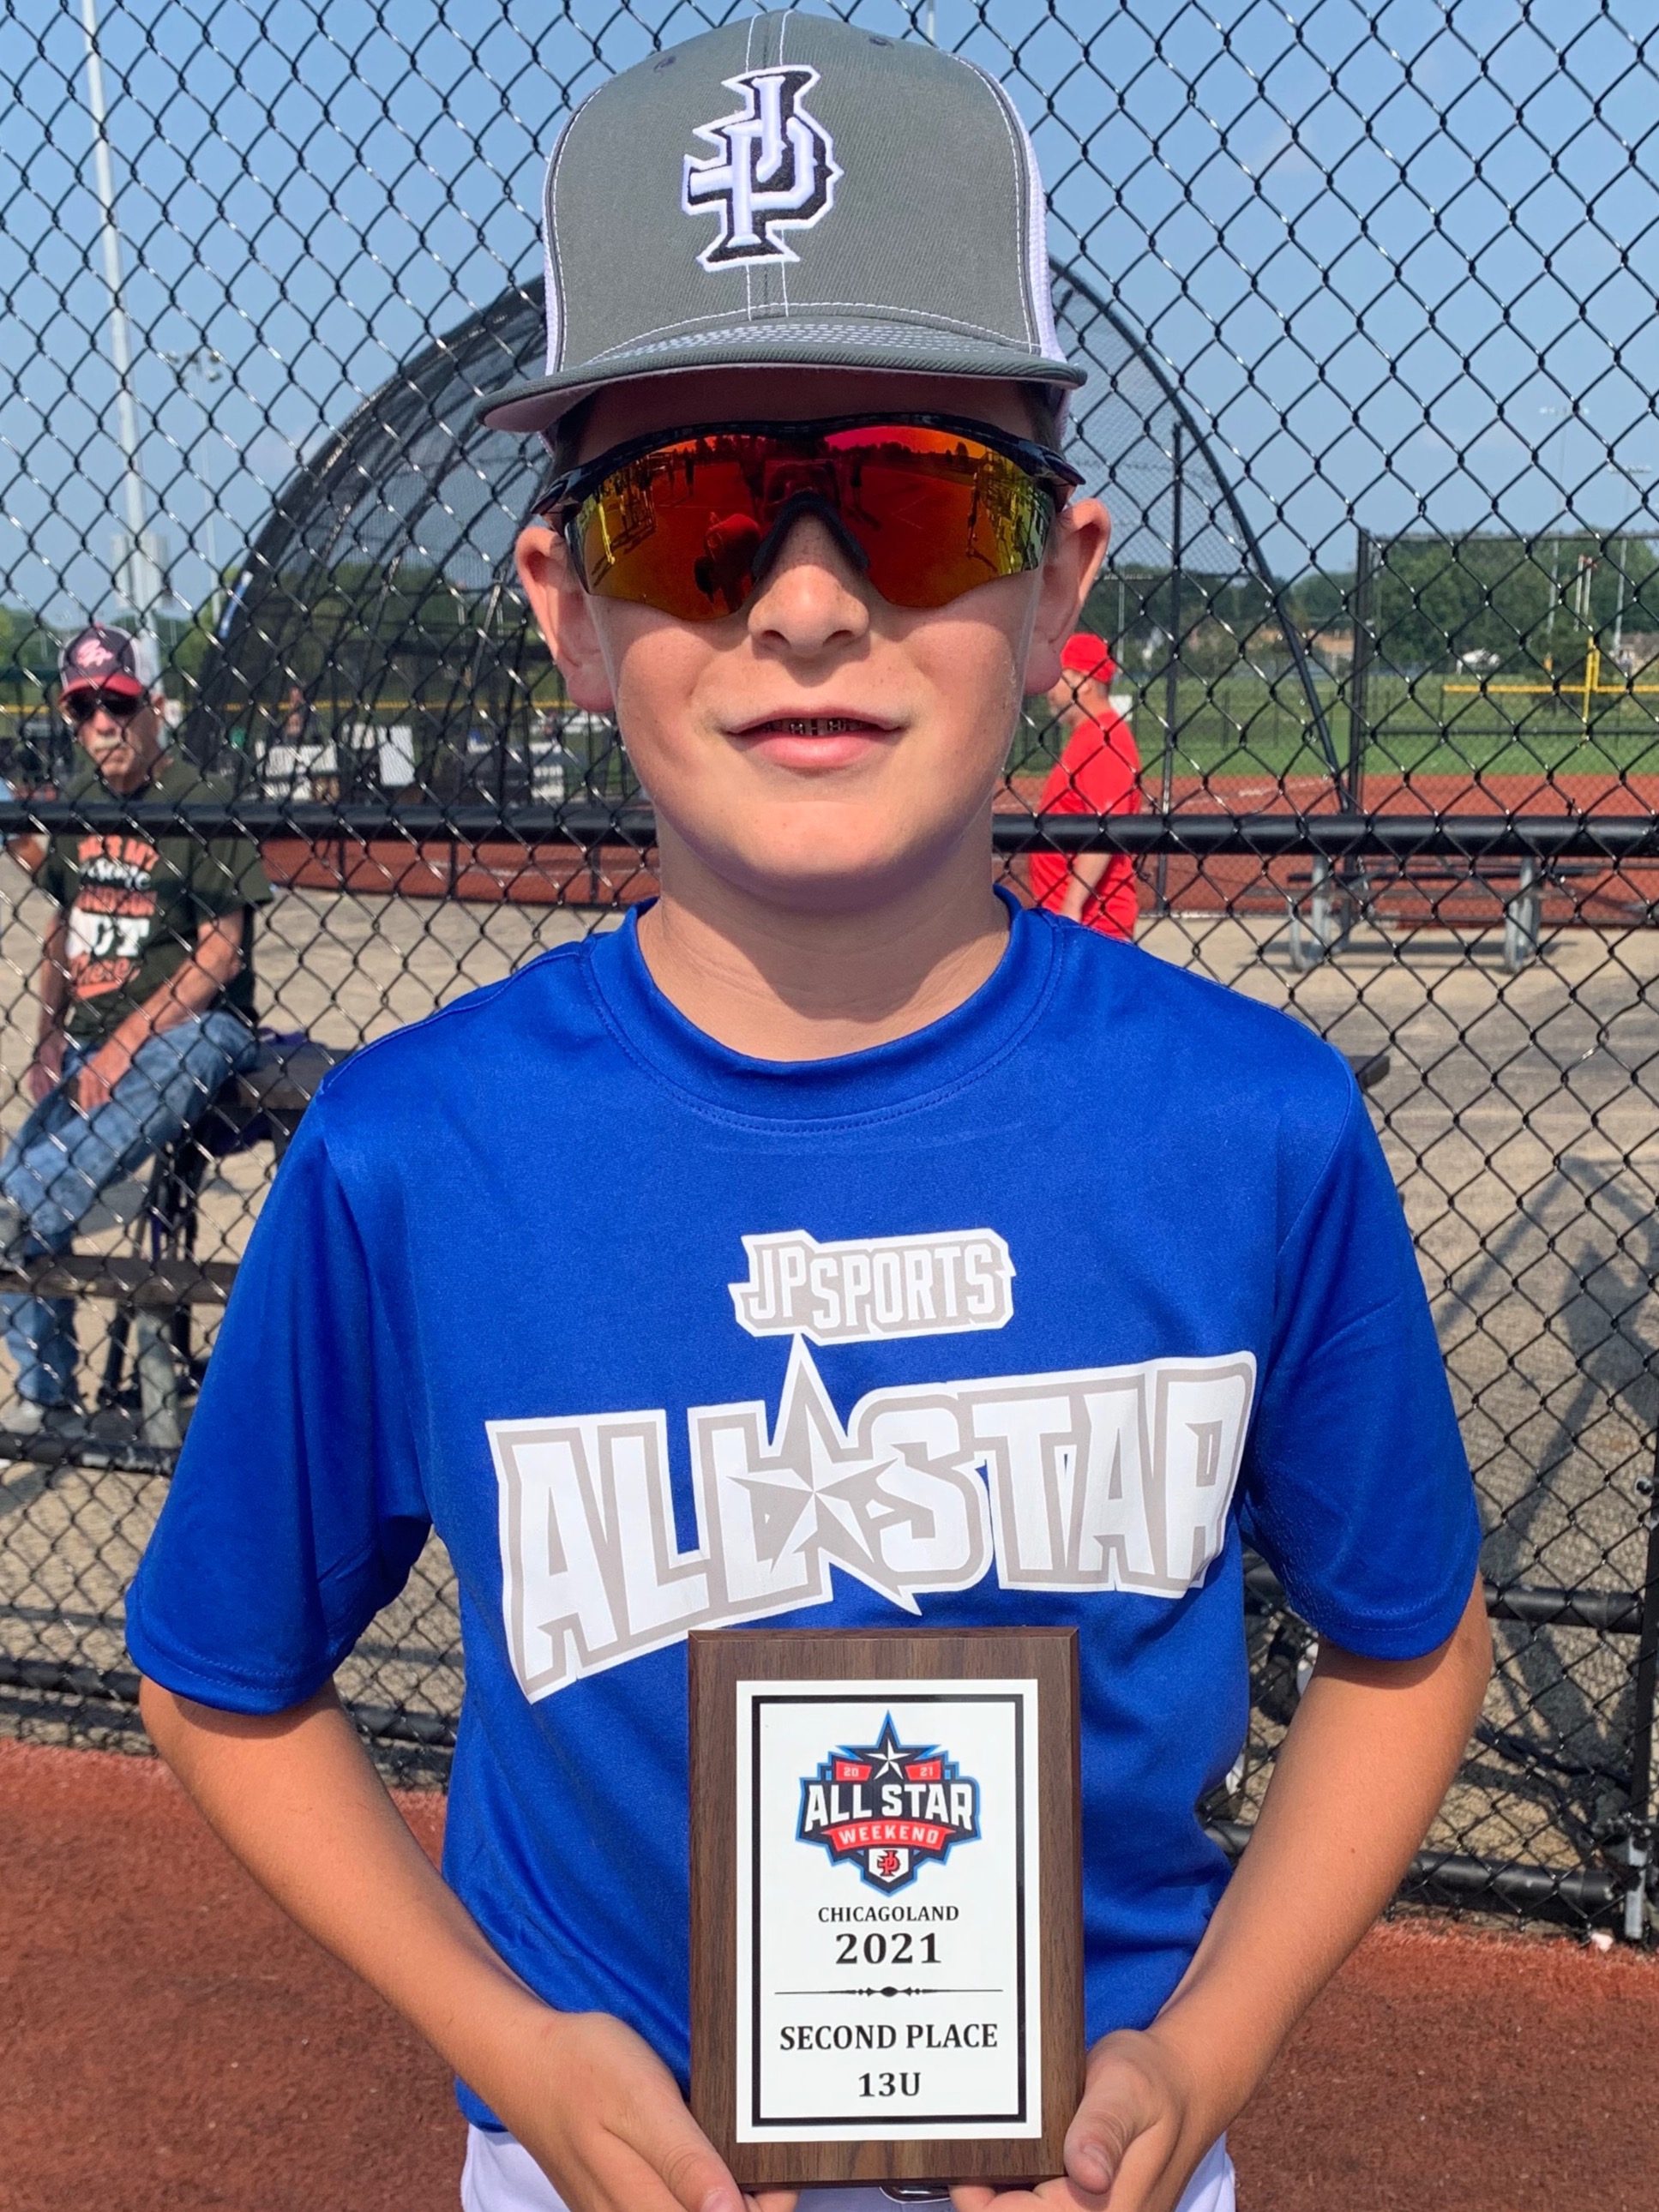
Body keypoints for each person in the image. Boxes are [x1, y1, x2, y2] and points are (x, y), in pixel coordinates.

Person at [128, 21, 1489, 2212]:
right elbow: (218, 1675)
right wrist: (514, 2049)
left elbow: (1408, 1643)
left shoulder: (1249, 1123)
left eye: (922, 497)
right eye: (691, 514)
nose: (808, 598)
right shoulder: (413, 1154)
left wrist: (1203, 2050)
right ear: (568, 612)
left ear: (1058, 582)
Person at [0, 623, 271, 1434]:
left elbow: (222, 952)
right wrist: (49, 1034)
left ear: (154, 707)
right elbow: (63, 923)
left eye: (116, 705)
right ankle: (48, 1399)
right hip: (92, 1036)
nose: (101, 725)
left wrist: (125, 1041)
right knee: (26, 1179)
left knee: (31, 1191)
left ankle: (20, 1204)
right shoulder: (81, 798)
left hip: (195, 1027)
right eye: (82, 709)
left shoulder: (199, 799)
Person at [1027, 634, 1143, 938]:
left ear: (1085, 682)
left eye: (1059, 676)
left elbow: (1105, 829)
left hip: (1092, 925)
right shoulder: (1090, 736)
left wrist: (1072, 905)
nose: (1050, 689)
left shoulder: (1105, 739)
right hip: (1074, 922)